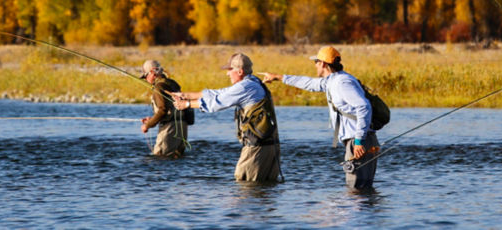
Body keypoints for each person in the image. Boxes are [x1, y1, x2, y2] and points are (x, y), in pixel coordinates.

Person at [262, 46, 379, 192]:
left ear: (323, 64)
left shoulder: (342, 83)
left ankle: (359, 216)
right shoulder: (332, 81)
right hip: (358, 141)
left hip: (359, 142)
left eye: (316, 62)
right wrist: (278, 77)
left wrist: (359, 141)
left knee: (356, 192)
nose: (315, 65)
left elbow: (363, 107)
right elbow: (308, 83)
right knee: (361, 191)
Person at [171, 53, 281, 182]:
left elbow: (216, 103)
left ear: (240, 71)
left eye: (230, 70)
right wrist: (185, 95)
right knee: (264, 193)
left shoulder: (244, 87)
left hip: (257, 149)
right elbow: (219, 93)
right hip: (269, 146)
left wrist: (187, 104)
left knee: (245, 187)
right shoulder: (254, 82)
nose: (227, 74)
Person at [140, 59, 189, 158]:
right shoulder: (172, 83)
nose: (146, 79)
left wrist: (148, 125)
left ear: (152, 72)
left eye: (145, 76)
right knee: (178, 160)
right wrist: (153, 119)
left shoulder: (159, 87)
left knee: (160, 158)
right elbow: (171, 108)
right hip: (182, 126)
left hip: (169, 129)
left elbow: (163, 110)